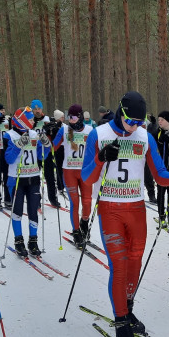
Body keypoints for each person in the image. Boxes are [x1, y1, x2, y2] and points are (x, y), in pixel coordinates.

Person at [81, 91, 169, 337]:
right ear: (120, 112)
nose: (135, 126)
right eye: (130, 120)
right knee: (120, 265)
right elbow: (87, 177)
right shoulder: (98, 134)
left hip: (136, 209)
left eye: (139, 121)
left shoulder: (144, 137)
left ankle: (128, 307)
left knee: (135, 264)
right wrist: (101, 158)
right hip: (111, 209)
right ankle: (122, 325)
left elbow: (160, 176)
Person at [4, 106, 52, 257]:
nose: (33, 122)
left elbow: (41, 156)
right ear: (22, 121)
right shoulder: (9, 135)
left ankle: (33, 241)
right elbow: (8, 159)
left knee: (33, 210)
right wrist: (18, 145)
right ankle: (19, 241)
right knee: (17, 210)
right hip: (16, 178)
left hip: (33, 177)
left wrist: (47, 145)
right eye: (30, 119)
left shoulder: (34, 134)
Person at [52, 104, 93, 244]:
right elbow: (52, 147)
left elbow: (97, 149)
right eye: (69, 117)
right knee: (75, 203)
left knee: (87, 202)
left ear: (80, 117)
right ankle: (76, 232)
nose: (71, 120)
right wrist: (48, 135)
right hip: (69, 171)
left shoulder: (90, 130)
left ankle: (84, 221)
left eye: (74, 117)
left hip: (85, 171)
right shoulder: (64, 130)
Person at [30, 99, 60, 207]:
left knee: (50, 177)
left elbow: (57, 134)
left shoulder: (49, 119)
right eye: (35, 109)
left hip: (47, 152)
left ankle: (53, 198)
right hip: (34, 153)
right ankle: (36, 199)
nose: (37, 111)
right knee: (35, 177)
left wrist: (53, 129)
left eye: (39, 108)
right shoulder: (30, 121)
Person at [143, 113, 159, 204]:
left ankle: (152, 196)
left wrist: (153, 123)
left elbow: (153, 132)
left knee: (148, 177)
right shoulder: (131, 122)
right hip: (135, 154)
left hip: (146, 152)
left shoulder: (148, 123)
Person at [53, 109, 66, 195]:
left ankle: (63, 185)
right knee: (59, 168)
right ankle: (60, 186)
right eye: (62, 117)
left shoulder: (64, 125)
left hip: (64, 148)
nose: (63, 118)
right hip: (57, 149)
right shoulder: (53, 126)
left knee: (64, 168)